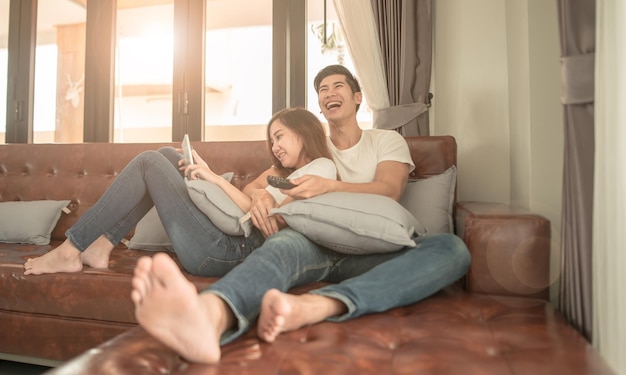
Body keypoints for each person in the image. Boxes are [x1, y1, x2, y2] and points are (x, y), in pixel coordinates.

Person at [130, 64, 472, 364]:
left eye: (338, 86)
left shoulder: (384, 140)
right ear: (320, 107)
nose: (329, 93)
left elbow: (389, 190)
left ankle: (319, 306)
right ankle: (208, 318)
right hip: (311, 243)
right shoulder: (310, 151)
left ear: (357, 98)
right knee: (280, 244)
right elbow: (257, 189)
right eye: (322, 90)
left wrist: (329, 188)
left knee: (451, 249)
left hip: (370, 247)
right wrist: (262, 194)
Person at [24, 107, 336, 276]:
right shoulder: (279, 172)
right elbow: (252, 199)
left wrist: (213, 177)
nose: (274, 147)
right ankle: (103, 245)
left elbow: (275, 221)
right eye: (271, 141)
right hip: (224, 238)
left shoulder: (321, 169)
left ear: (304, 132)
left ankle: (70, 249)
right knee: (168, 154)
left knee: (149, 162)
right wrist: (255, 194)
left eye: (279, 137)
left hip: (228, 254)